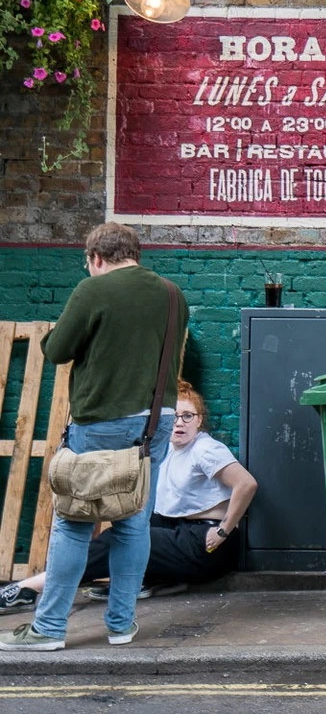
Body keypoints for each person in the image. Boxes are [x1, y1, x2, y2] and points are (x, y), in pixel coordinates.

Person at [0, 223, 187, 652]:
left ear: (96, 258)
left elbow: (56, 350)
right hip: (155, 422)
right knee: (133, 522)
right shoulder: (174, 295)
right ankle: (121, 625)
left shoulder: (92, 290)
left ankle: (48, 629)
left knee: (74, 522)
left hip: (103, 421)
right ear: (135, 254)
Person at [0, 382, 256, 613]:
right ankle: (150, 579)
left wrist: (223, 530)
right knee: (131, 525)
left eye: (188, 416)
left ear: (199, 421)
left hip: (206, 544)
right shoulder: (166, 448)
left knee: (119, 540)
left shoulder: (205, 449)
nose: (180, 423)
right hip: (178, 530)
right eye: (175, 416)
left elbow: (246, 484)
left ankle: (29, 588)